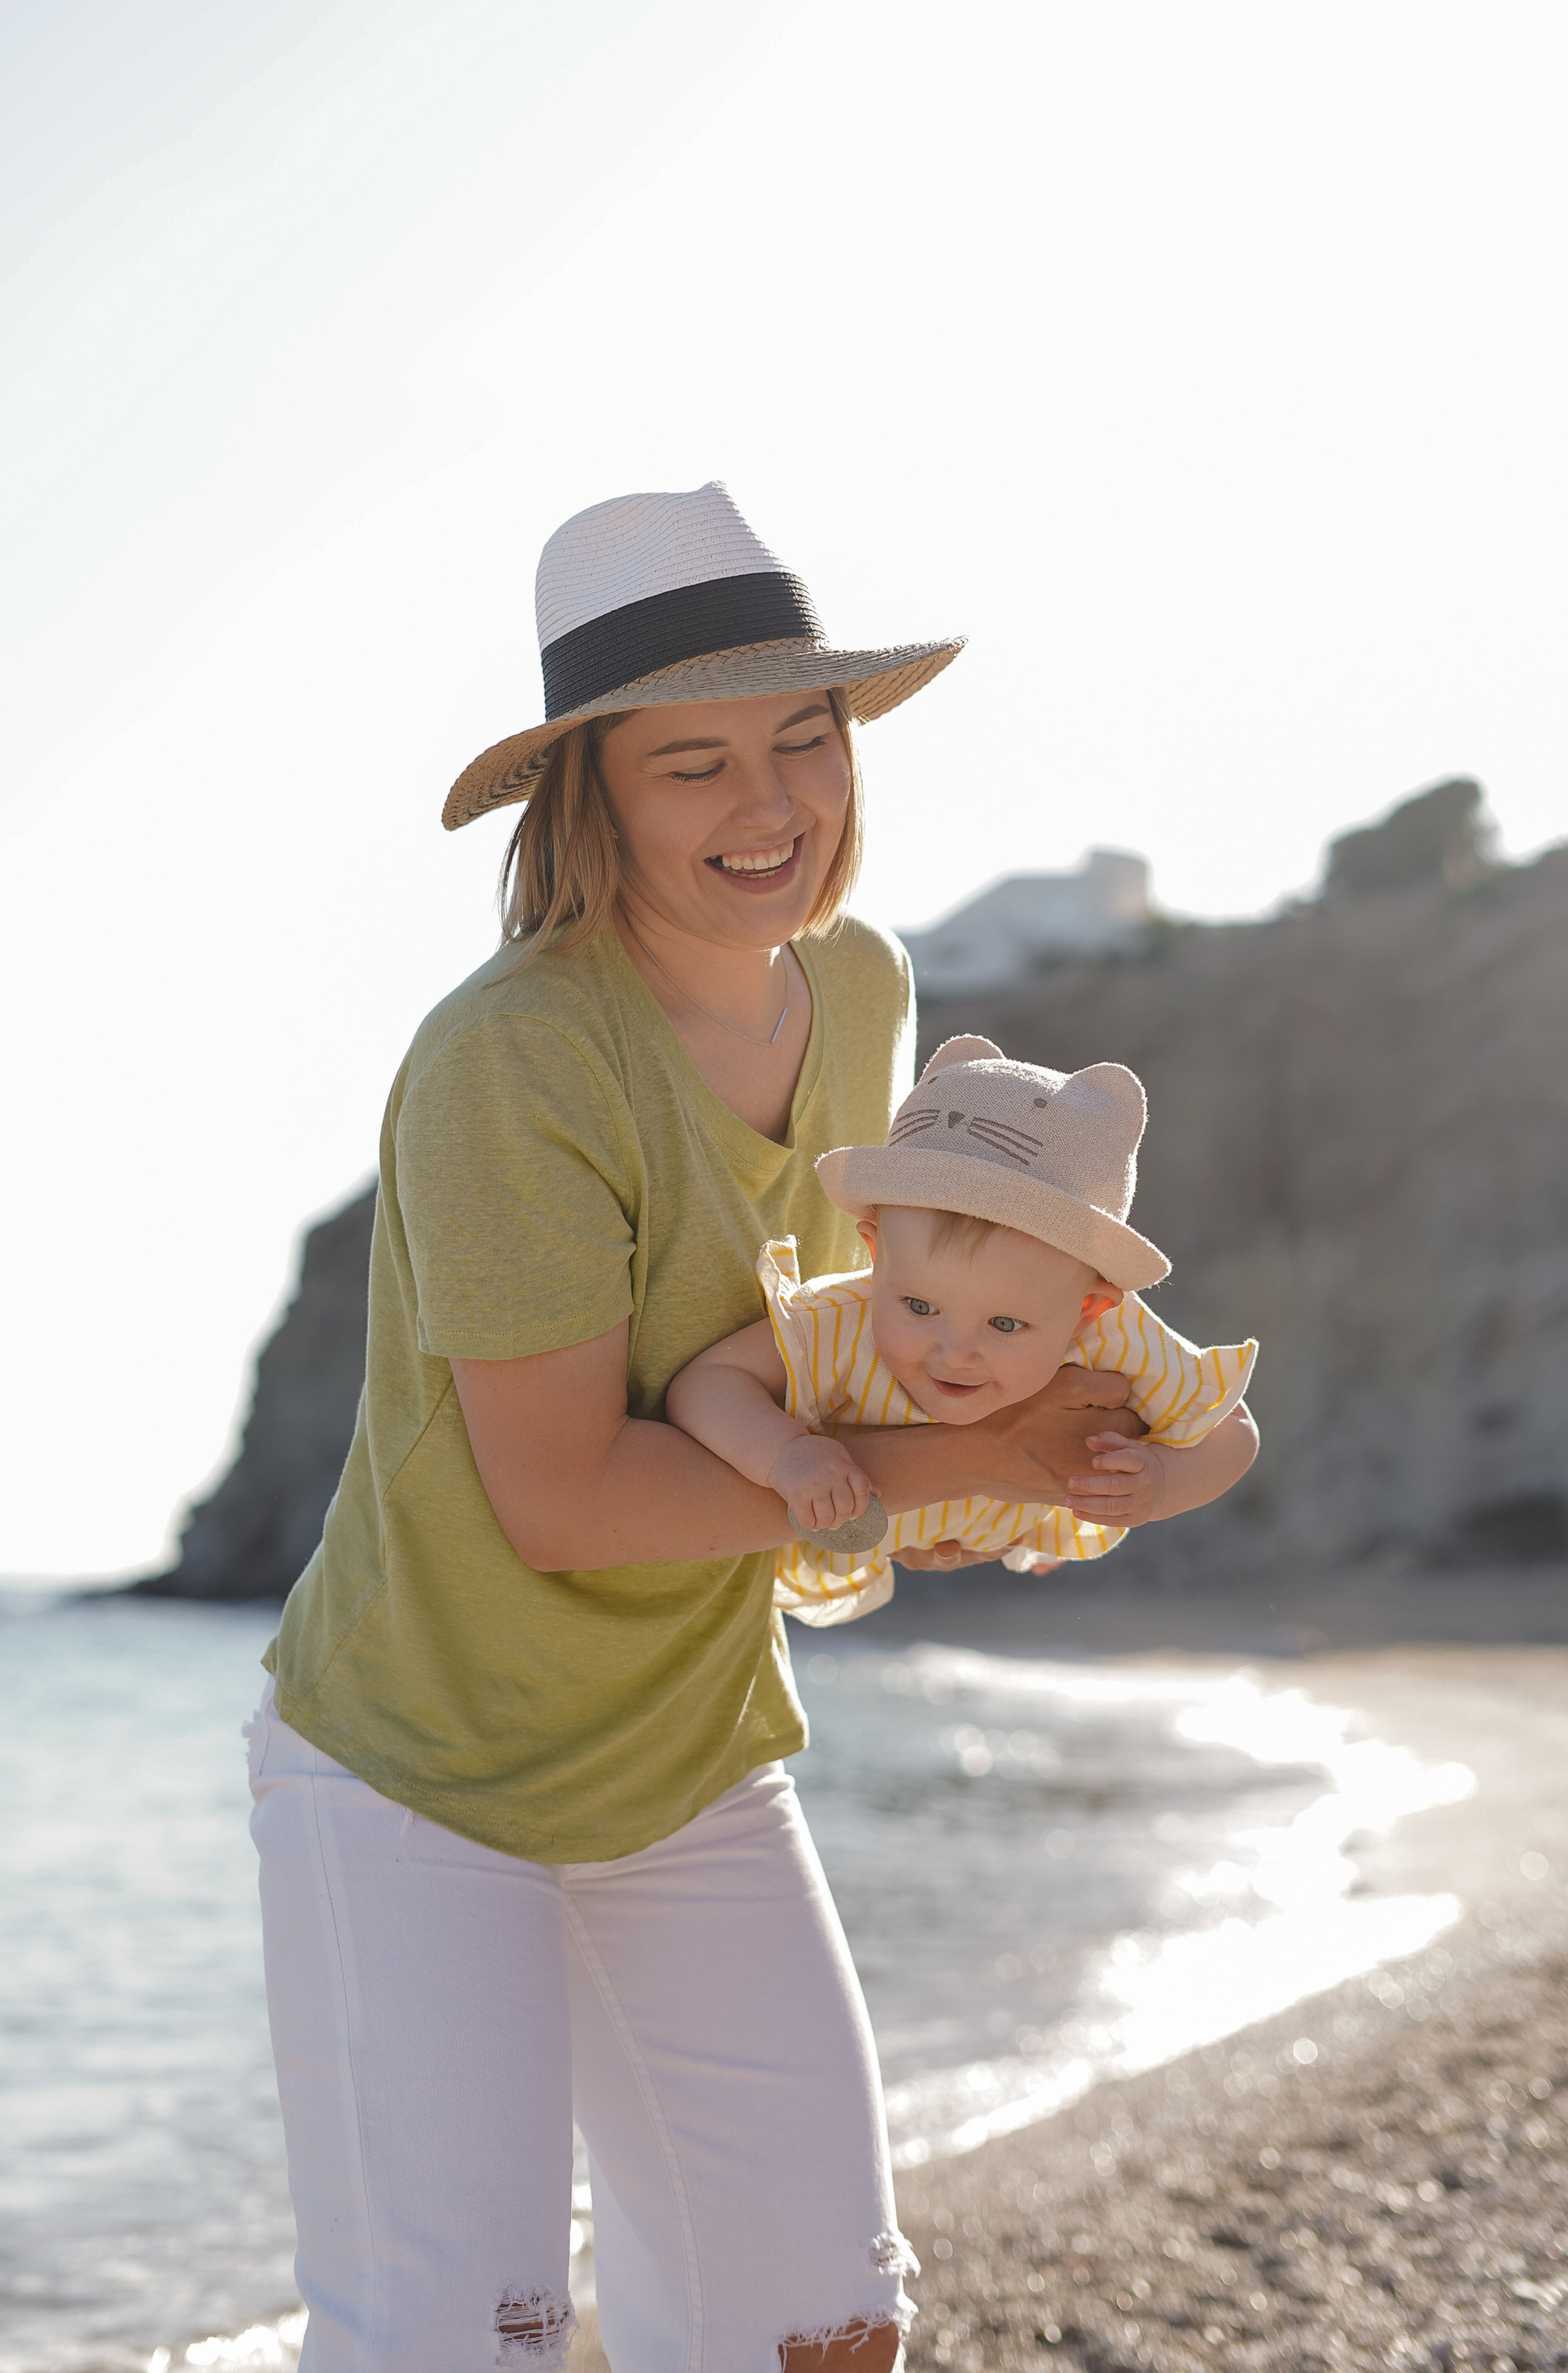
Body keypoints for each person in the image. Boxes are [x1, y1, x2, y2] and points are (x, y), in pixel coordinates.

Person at [246, 481, 1177, 2372]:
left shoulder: (865, 989)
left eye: (802, 740)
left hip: (687, 1746)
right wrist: (985, 1463)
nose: (771, 809)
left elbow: (857, 1341)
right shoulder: (510, 1061)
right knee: (455, 2345)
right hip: (421, 1769)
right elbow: (569, 1501)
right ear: (591, 797)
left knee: (815, 2328)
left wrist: (1104, 1399)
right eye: (694, 766)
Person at [665, 1035, 1259, 1628]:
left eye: (1005, 1324)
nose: (954, 1354)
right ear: (875, 1257)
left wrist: (1162, 1483)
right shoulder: (841, 1322)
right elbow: (710, 1383)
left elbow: (1232, 1430)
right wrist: (786, 1455)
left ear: (1087, 1311)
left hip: (1000, 1530)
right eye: (919, 1307)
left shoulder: (1117, 1342)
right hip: (856, 1536)